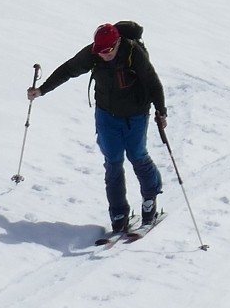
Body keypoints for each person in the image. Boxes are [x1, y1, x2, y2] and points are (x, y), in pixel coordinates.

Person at [32, 20, 167, 237]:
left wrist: (161, 110)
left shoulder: (133, 53)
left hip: (136, 114)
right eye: (100, 51)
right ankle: (118, 214)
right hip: (106, 115)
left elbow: (152, 82)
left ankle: (149, 199)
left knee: (137, 156)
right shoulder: (93, 54)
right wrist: (42, 90)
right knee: (112, 162)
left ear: (117, 43)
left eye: (108, 50)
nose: (104, 54)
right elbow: (68, 70)